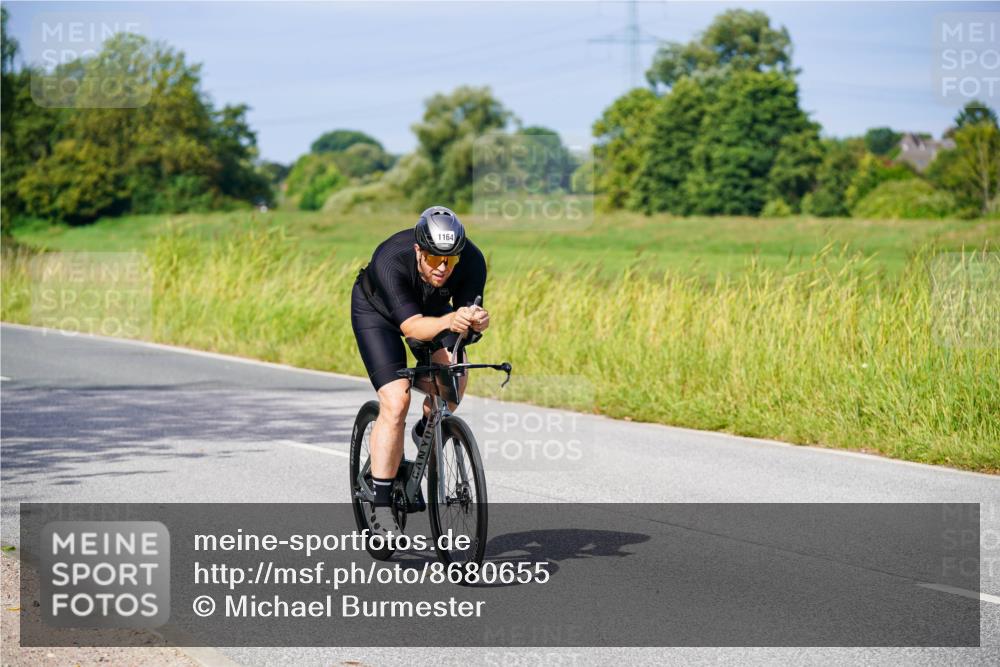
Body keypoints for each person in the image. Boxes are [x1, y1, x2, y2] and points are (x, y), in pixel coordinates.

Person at [351, 206, 490, 536]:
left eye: (451, 260)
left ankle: (426, 429)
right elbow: (412, 327)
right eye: (433, 259)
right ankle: (382, 505)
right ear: (418, 250)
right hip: (378, 314)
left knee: (454, 377)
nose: (443, 268)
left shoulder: (471, 259)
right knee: (396, 400)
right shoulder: (390, 258)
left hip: (433, 311)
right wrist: (450, 320)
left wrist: (476, 322)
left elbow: (466, 319)